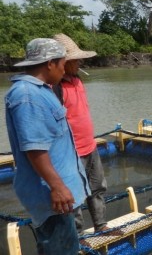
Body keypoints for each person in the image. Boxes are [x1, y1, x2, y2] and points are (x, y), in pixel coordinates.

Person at [5, 38, 89, 254]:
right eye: (62, 63)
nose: (64, 69)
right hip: (52, 198)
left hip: (58, 194)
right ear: (50, 63)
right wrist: (57, 187)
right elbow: (35, 149)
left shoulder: (42, 90)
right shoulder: (27, 96)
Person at [52, 33, 116, 235]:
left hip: (89, 145)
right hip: (71, 152)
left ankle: (101, 224)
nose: (79, 62)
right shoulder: (55, 87)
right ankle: (77, 235)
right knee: (75, 194)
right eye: (75, 59)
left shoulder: (77, 80)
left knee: (97, 187)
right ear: (62, 62)